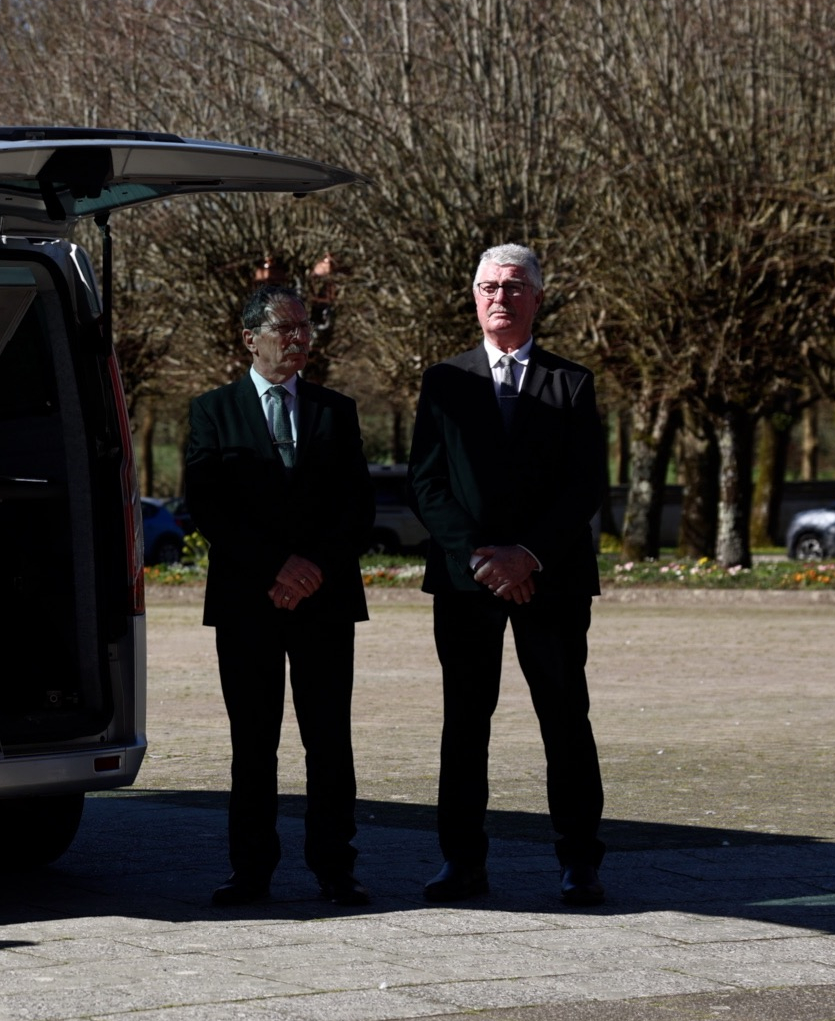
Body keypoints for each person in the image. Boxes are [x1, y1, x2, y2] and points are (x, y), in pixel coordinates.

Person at [408, 243, 609, 906]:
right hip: (467, 585)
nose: (501, 295)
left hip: (551, 580)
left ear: (538, 299)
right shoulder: (444, 381)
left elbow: (585, 487)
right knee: (465, 722)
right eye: (489, 285)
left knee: (565, 720)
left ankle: (580, 862)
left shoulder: (570, 383)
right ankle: (461, 862)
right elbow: (428, 483)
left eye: (515, 286)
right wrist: (481, 557)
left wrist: (527, 555)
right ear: (474, 296)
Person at [184, 284, 376, 907]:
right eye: (285, 328)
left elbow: (358, 505)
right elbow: (206, 506)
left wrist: (312, 569)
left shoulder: (334, 410)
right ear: (250, 338)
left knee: (328, 740)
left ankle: (335, 868)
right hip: (249, 603)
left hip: (323, 601)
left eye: (305, 328)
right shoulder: (213, 411)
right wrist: (277, 567)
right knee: (253, 742)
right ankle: (251, 871)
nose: (298, 339)